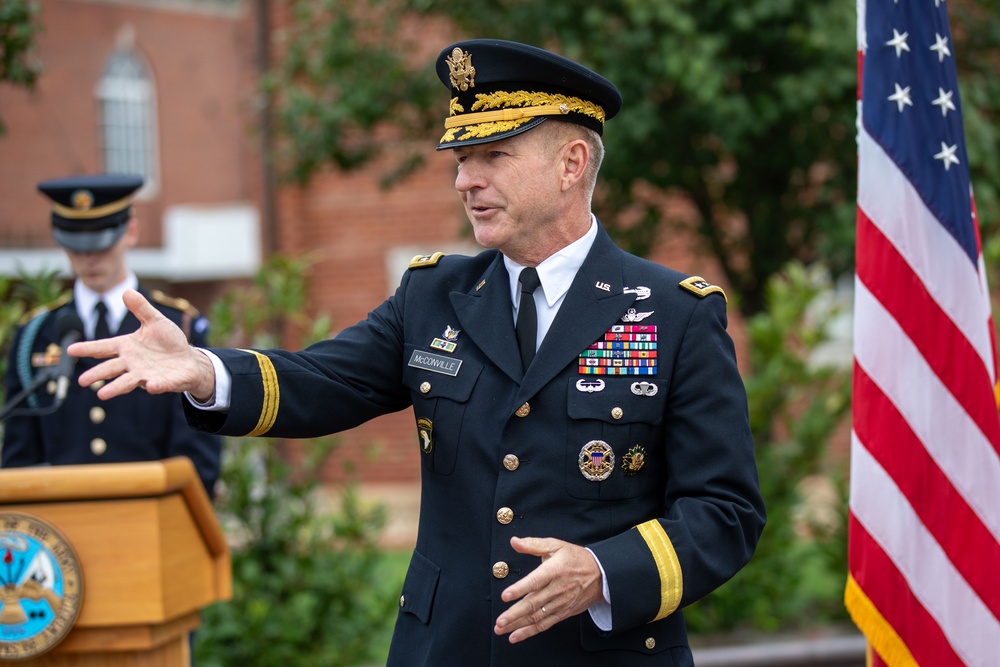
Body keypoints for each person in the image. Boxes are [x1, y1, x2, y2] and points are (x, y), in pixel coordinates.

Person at [70, 40, 765, 665]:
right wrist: (206, 369)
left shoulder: (672, 313)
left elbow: (725, 510)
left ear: (571, 163)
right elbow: (325, 377)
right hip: (445, 648)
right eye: (462, 160)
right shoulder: (436, 294)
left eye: (494, 156)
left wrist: (606, 571)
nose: (466, 180)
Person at [2, 174, 221, 498]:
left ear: (130, 231)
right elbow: (18, 461)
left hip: (151, 520)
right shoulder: (33, 336)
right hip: (63, 527)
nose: (89, 257)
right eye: (76, 245)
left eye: (101, 243)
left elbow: (197, 457)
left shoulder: (179, 326)